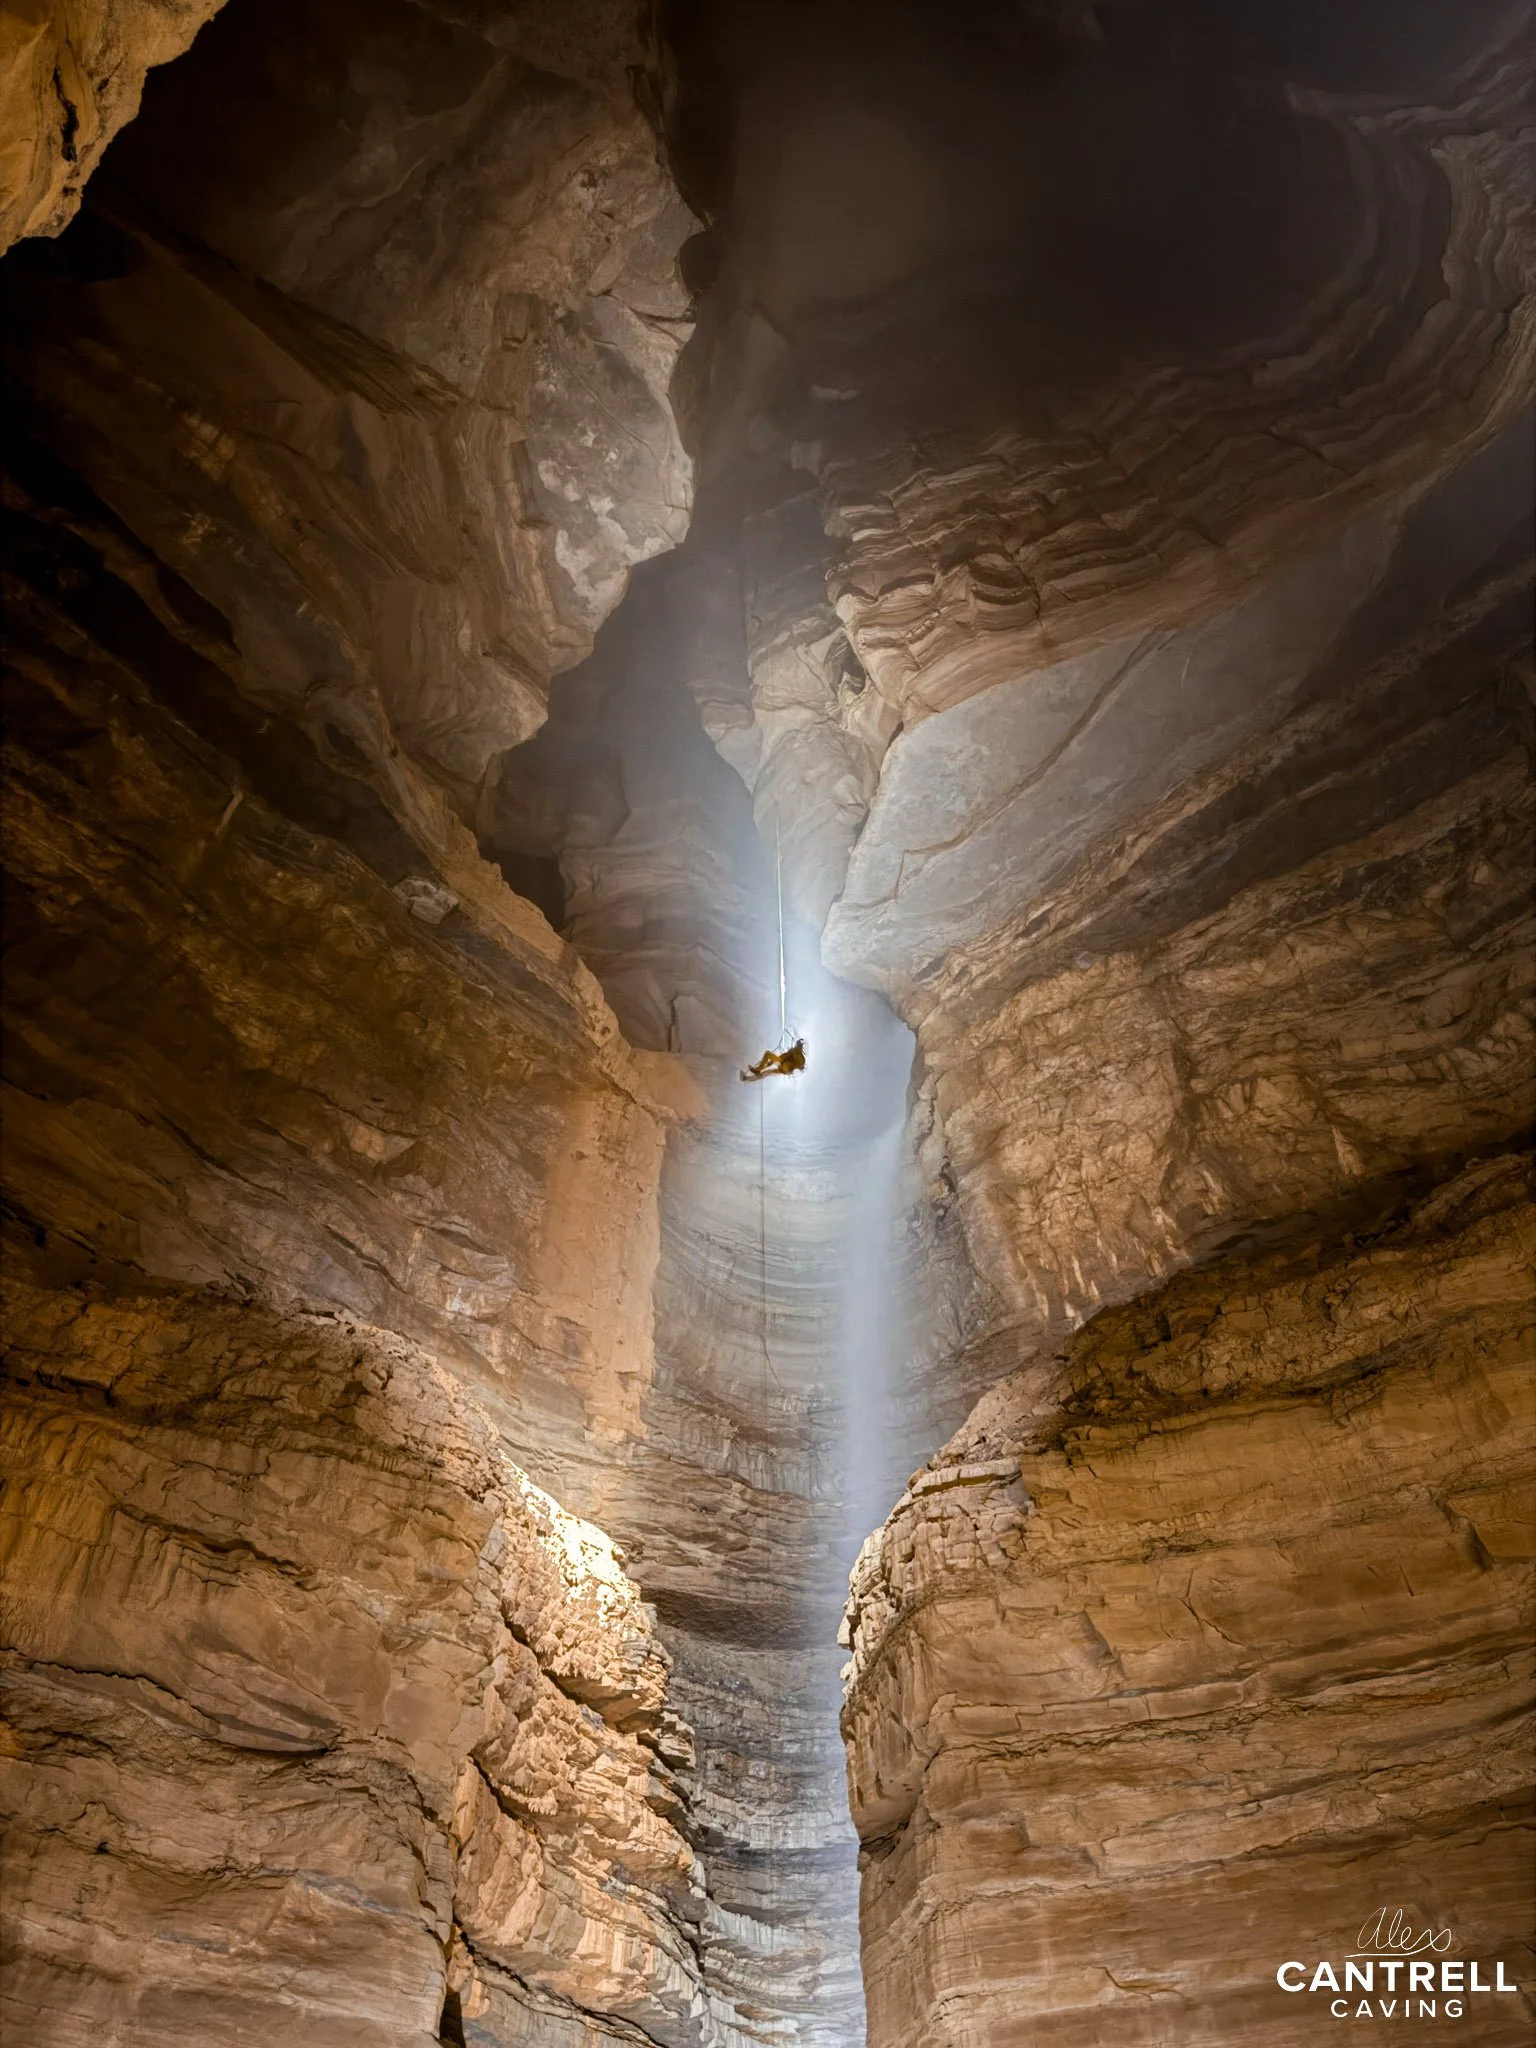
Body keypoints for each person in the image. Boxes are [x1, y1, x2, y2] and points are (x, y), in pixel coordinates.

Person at [740, 1037, 806, 1082]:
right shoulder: (799, 1054)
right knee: (767, 1072)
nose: (795, 1045)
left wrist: (776, 1060)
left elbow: (787, 1057)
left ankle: (758, 1070)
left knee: (767, 1054)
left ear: (800, 1045)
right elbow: (791, 1060)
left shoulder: (798, 1053)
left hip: (783, 1064)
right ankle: (747, 1078)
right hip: (784, 1069)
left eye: (797, 1044)